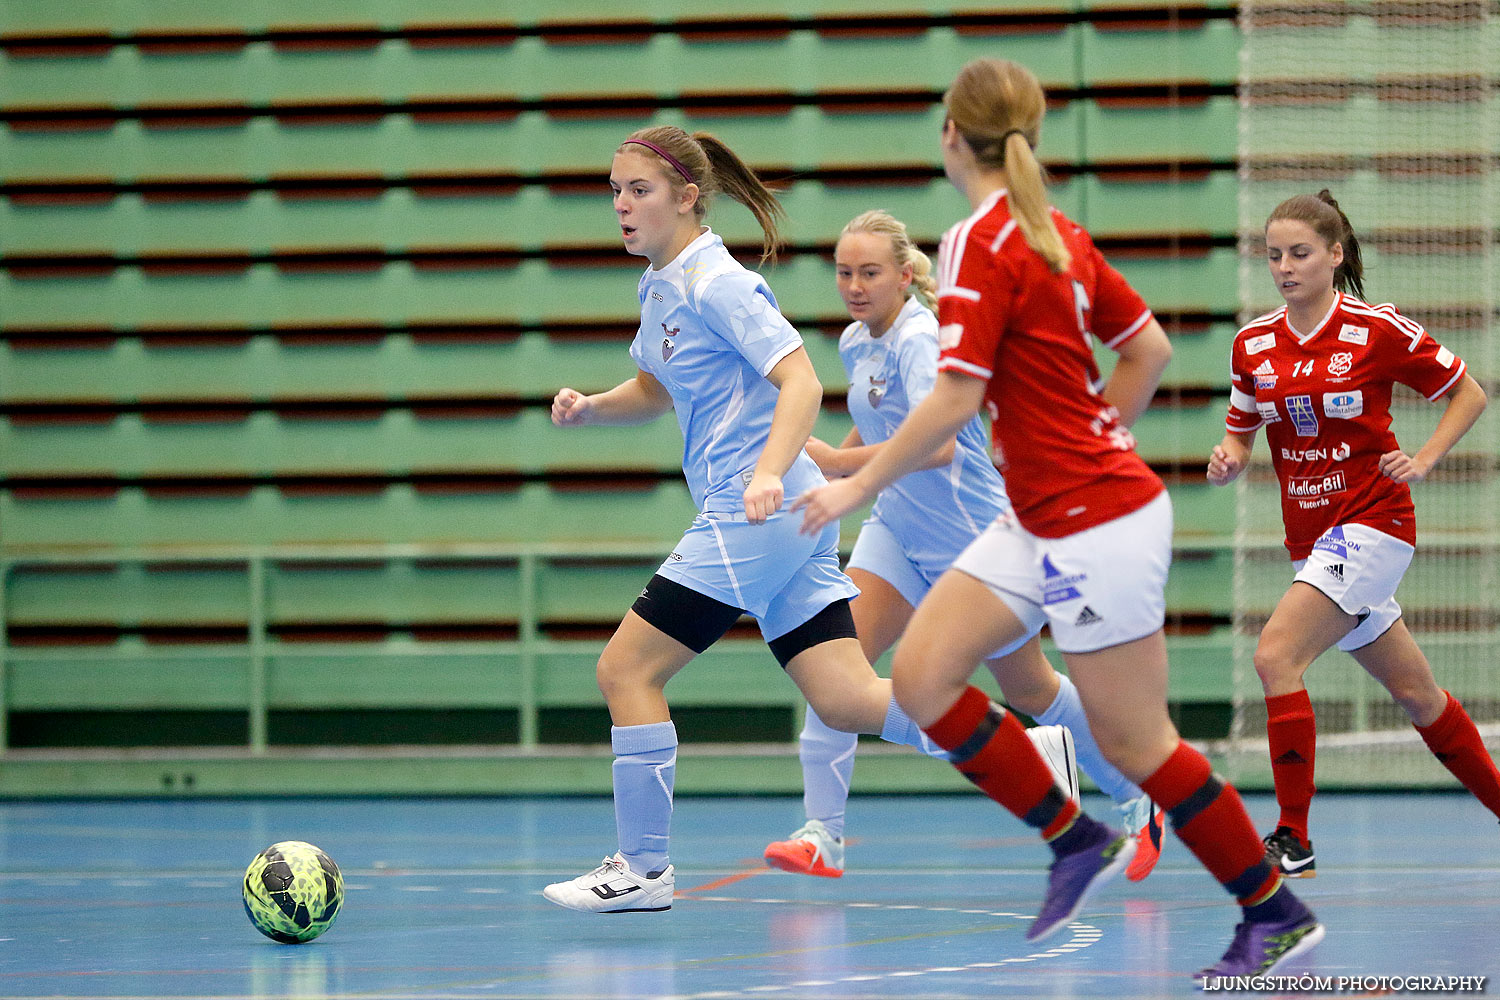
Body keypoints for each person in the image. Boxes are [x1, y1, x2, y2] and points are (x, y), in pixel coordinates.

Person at [794, 58, 1322, 980]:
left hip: (1096, 517)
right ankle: (1076, 838)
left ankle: (1274, 908)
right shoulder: (1058, 233)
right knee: (920, 678)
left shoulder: (976, 242)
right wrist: (1091, 430)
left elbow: (958, 399)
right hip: (1040, 512)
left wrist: (851, 483)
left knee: (1136, 741)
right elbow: (1149, 348)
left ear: (952, 136)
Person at [542, 125, 975, 913]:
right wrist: (592, 410)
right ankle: (1019, 749)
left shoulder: (719, 282)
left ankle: (642, 870)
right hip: (784, 517)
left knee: (625, 670)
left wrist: (770, 471)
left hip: (758, 510)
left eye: (638, 190)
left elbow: (800, 381)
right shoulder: (661, 284)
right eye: (614, 189)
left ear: (687, 197)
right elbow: (660, 385)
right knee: (846, 699)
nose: (621, 205)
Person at [762, 210, 1163, 882]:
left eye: (869, 273)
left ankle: (1135, 794)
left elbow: (940, 441)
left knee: (1030, 685)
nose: (854, 286)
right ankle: (821, 835)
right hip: (897, 530)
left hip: (967, 535)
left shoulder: (923, 339)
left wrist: (845, 468)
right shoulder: (857, 340)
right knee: (837, 668)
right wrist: (843, 456)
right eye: (844, 272)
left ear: (904, 275)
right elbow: (884, 422)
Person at [1207, 189, 1499, 878]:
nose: (1284, 267)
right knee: (1419, 695)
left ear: (1335, 256)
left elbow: (1469, 391)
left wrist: (1424, 458)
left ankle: (1292, 835)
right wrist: (1228, 460)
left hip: (1373, 526)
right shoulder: (1253, 343)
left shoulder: (1376, 330)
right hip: (1312, 543)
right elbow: (1240, 432)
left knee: (1276, 657)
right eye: (1274, 254)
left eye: (1300, 253)